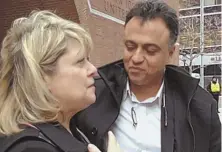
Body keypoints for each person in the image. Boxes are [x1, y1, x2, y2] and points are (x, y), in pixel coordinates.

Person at [72, 0, 221, 152]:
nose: (136, 58)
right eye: (130, 47)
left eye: (150, 50)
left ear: (171, 53)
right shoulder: (92, 96)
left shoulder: (200, 108)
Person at [0, 10, 120, 152]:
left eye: (88, 60)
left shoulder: (73, 128)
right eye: (80, 61)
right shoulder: (31, 148)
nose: (93, 70)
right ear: (41, 77)